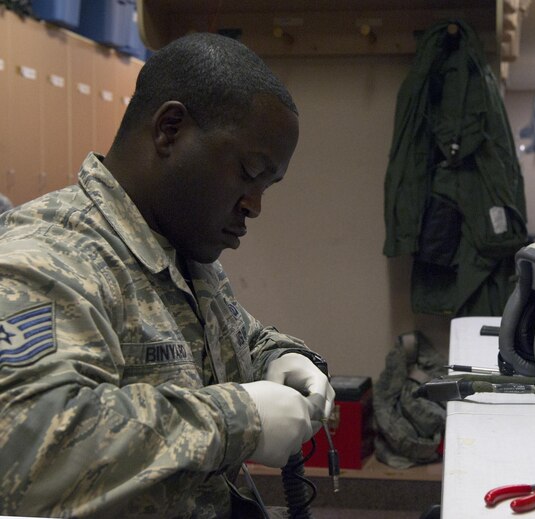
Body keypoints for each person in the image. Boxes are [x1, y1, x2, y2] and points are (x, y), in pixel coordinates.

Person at [0, 32, 334, 518]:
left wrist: (280, 358)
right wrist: (239, 419)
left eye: (267, 185)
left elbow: (240, 337)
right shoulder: (43, 261)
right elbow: (27, 450)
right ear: (170, 130)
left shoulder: (180, 248)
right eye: (247, 172)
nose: (254, 206)